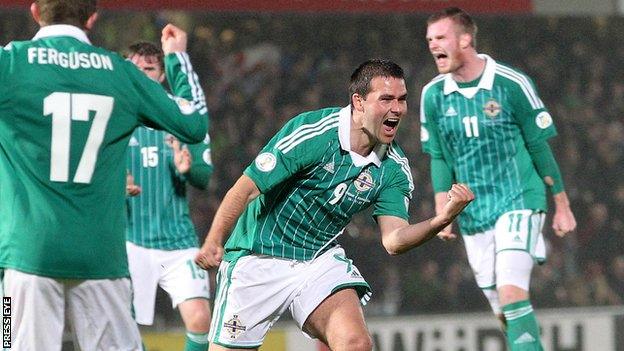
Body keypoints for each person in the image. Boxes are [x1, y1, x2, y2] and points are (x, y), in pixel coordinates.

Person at [195, 59, 475, 351]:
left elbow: (394, 240)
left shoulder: (394, 169)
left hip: (317, 260)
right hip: (257, 257)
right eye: (386, 99)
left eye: (402, 100)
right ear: (359, 102)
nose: (397, 109)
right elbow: (246, 189)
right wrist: (215, 240)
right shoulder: (314, 132)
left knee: (355, 343)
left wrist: (441, 219)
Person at [0, 1, 207, 350]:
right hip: (103, 256)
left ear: (35, 11)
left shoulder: (10, 63)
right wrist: (177, 60)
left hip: (25, 254)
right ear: (92, 18)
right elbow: (194, 123)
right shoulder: (119, 72)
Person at [420, 7, 577, 350]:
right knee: (503, 310)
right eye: (430, 39)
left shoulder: (510, 83)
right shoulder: (432, 95)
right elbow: (439, 158)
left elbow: (539, 147)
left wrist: (562, 205)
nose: (433, 45)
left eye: (441, 37)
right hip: (474, 214)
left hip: (519, 200)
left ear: (465, 39)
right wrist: (441, 214)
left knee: (510, 292)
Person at [125, 41, 213, 351]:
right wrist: (115, 182)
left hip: (178, 242)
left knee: (201, 318)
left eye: (149, 68)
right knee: (123, 326)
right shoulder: (115, 115)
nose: (142, 73)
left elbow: (203, 177)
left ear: (162, 75)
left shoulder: (181, 115)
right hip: (129, 240)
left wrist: (188, 170)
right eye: (135, 68)